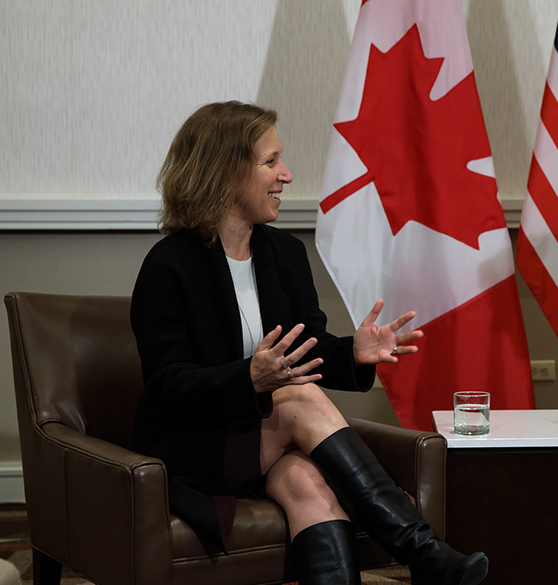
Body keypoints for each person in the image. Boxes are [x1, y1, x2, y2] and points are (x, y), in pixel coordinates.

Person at [131, 101, 488, 585]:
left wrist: (354, 353)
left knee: (309, 484)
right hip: (194, 445)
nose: (287, 175)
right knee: (298, 397)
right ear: (225, 170)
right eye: (271, 161)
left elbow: (308, 349)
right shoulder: (168, 265)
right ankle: (422, 552)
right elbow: (167, 383)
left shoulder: (285, 254)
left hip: (263, 439)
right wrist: (250, 378)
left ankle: (423, 555)